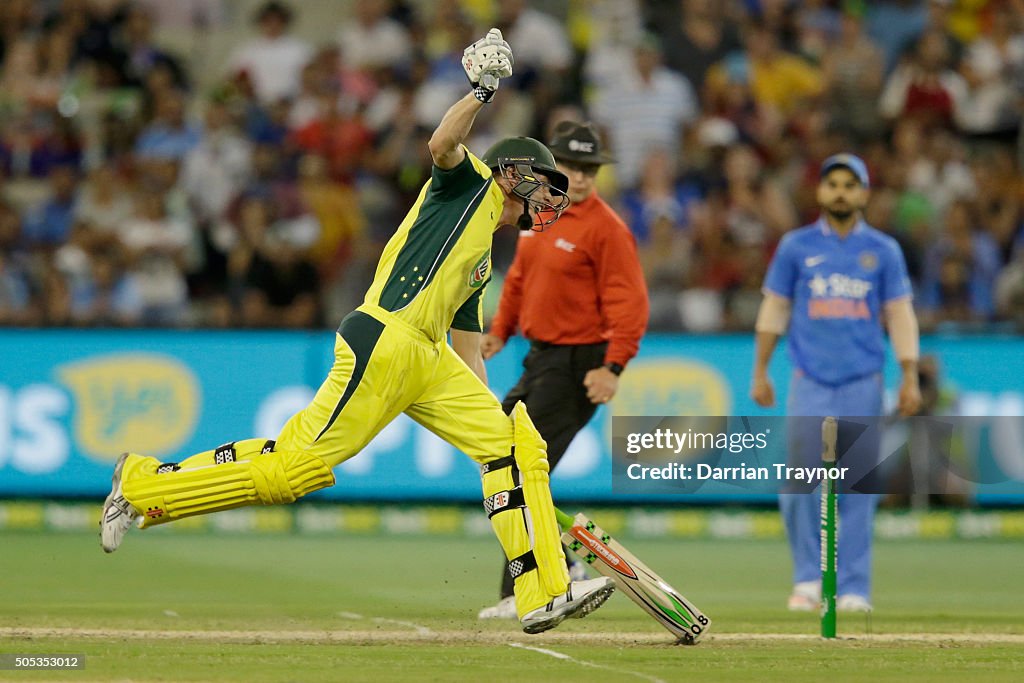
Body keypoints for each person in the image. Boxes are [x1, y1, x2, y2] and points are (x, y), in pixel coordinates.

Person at [100, 29, 615, 635]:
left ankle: (542, 594)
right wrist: (481, 90)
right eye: (545, 182)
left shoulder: (482, 259)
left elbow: (465, 340)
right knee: (293, 470)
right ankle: (141, 484)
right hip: (386, 338)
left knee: (512, 443)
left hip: (428, 359)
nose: (551, 196)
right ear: (513, 172)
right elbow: (442, 141)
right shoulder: (469, 180)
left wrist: (487, 407)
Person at [478, 121, 649, 619]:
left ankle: (545, 581)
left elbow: (630, 304)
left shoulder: (607, 229)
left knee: (521, 467)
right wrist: (500, 331)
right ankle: (539, 580)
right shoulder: (542, 215)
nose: (580, 177)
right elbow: (518, 283)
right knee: (506, 460)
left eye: (589, 169)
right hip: (540, 357)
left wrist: (613, 366)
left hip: (579, 362)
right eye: (571, 167)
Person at [750, 153, 922, 613]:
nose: (841, 191)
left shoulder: (883, 250)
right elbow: (775, 308)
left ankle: (853, 588)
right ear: (821, 192)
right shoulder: (796, 247)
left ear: (864, 193)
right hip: (811, 380)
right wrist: (760, 370)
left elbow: (899, 314)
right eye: (833, 184)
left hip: (863, 380)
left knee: (858, 485)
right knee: (800, 482)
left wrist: (908, 375)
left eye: (850, 184)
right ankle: (808, 578)